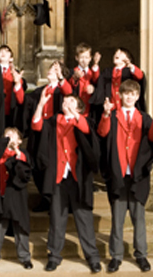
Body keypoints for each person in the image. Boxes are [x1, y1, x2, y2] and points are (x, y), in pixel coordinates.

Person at [97, 80, 153, 273]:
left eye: (132, 94)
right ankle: (116, 256)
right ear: (120, 95)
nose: (129, 96)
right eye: (125, 93)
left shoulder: (144, 118)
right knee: (117, 219)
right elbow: (102, 133)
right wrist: (104, 114)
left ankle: (141, 255)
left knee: (139, 219)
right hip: (119, 176)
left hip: (138, 176)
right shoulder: (112, 116)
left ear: (137, 96)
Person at [32, 94, 102, 273]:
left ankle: (92, 257)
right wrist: (40, 104)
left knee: (84, 218)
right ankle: (54, 256)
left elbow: (86, 129)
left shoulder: (84, 121)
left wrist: (76, 116)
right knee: (57, 218)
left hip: (78, 177)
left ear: (79, 108)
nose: (66, 103)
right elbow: (36, 125)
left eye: (71, 101)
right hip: (58, 177)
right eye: (64, 101)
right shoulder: (55, 121)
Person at [23, 61, 72, 212]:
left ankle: (55, 200)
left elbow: (69, 93)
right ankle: (45, 197)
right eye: (52, 68)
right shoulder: (38, 91)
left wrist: (61, 78)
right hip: (38, 131)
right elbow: (24, 103)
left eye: (56, 69)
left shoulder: (63, 90)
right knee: (36, 163)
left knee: (51, 166)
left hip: (55, 132)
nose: (52, 70)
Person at [0, 127, 33, 271]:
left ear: (20, 140)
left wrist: (16, 152)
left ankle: (25, 257)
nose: (9, 137)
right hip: (1, 195)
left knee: (20, 227)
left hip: (16, 197)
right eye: (6, 135)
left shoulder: (23, 154)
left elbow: (25, 174)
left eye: (12, 135)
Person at [89, 47, 147, 117]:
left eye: (121, 52)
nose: (117, 54)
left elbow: (140, 76)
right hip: (111, 109)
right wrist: (95, 64)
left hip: (125, 109)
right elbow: (97, 81)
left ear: (128, 58)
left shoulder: (130, 71)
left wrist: (131, 65)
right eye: (116, 52)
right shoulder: (107, 71)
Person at [0, 45, 26, 129]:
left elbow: (21, 100)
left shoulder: (16, 74)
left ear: (11, 58)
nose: (3, 52)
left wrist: (17, 83)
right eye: (0, 51)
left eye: (7, 51)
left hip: (11, 115)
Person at [69, 43, 101, 117]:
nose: (84, 60)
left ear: (90, 58)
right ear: (76, 58)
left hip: (89, 109)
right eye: (82, 57)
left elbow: (96, 80)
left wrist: (96, 64)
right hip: (75, 109)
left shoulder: (93, 72)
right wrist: (75, 77)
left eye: (86, 57)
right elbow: (70, 85)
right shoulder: (73, 72)